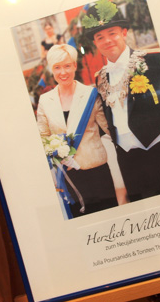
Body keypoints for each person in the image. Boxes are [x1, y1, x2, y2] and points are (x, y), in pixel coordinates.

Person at [82, 0, 160, 202]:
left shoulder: (154, 62)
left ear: (124, 33)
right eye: (100, 37)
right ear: (95, 43)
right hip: (130, 165)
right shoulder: (100, 78)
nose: (107, 41)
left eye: (112, 33)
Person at [36, 44, 117, 218]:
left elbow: (109, 127)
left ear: (74, 65)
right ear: (51, 70)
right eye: (57, 67)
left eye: (67, 66)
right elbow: (42, 138)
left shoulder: (90, 94)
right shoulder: (45, 100)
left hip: (97, 171)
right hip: (69, 175)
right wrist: (56, 154)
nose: (63, 72)